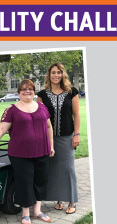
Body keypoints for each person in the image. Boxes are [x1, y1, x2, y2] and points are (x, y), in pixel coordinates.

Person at [0, 79, 54, 224]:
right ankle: (25, 213)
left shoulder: (41, 107)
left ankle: (38, 210)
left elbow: (48, 127)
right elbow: (2, 128)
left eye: (30, 89)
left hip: (42, 150)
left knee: (40, 181)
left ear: (34, 91)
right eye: (23, 89)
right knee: (24, 182)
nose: (27, 91)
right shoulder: (12, 109)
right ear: (18, 92)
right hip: (20, 153)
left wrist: (51, 146)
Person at [37, 63, 80, 214]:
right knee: (53, 169)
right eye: (53, 73)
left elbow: (77, 115)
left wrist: (76, 134)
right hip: (48, 138)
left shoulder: (71, 92)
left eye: (58, 72)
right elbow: (38, 117)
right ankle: (59, 200)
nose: (56, 75)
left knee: (68, 169)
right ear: (49, 75)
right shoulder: (42, 94)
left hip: (67, 137)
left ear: (63, 74)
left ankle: (72, 201)